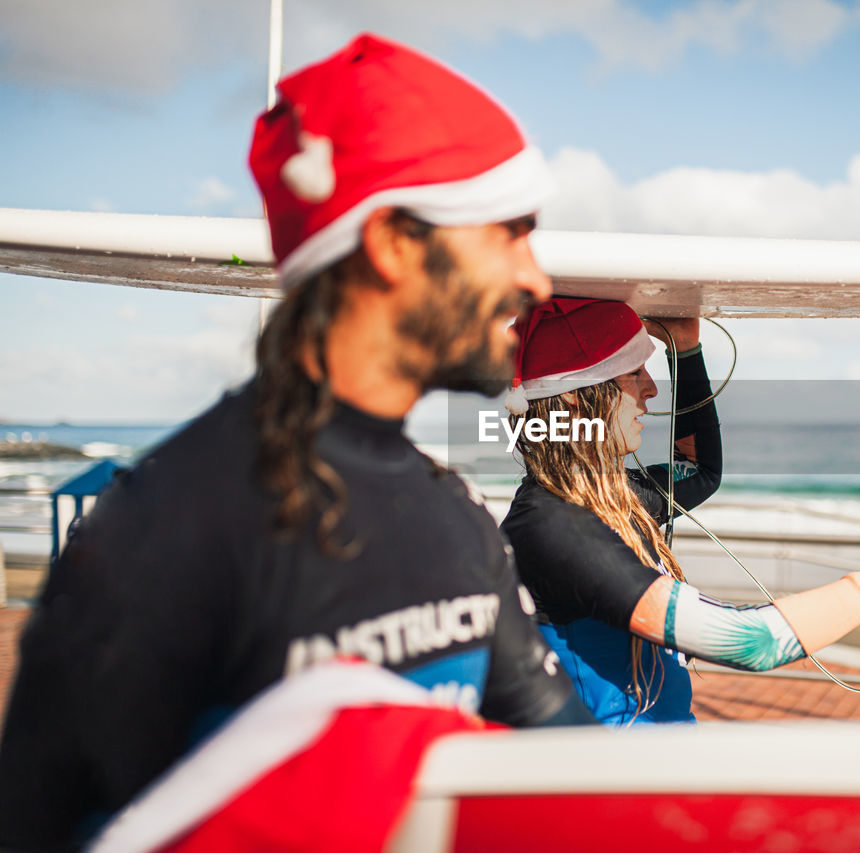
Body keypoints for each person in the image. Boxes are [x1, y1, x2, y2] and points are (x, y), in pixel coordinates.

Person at [0, 34, 596, 850]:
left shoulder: (453, 515)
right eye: (510, 231)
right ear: (391, 242)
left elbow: (566, 768)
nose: (536, 279)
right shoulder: (162, 530)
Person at [501, 297, 860, 726]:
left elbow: (698, 469)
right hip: (606, 781)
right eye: (634, 373)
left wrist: (685, 349)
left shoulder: (611, 495)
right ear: (578, 396)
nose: (652, 390)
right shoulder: (555, 526)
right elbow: (750, 642)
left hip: (649, 761)